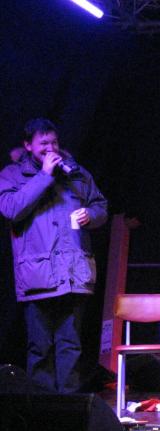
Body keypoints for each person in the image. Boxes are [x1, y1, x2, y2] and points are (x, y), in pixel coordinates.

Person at [0, 118, 108, 393]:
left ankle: (68, 407)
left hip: (73, 275)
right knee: (40, 348)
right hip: (38, 277)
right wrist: (44, 176)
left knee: (71, 345)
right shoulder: (12, 175)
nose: (51, 148)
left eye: (54, 142)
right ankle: (41, 408)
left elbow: (100, 206)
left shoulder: (75, 173)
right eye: (44, 143)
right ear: (28, 145)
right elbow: (11, 209)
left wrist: (91, 215)